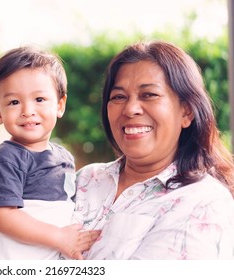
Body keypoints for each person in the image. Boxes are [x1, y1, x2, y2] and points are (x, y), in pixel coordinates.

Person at [71, 40, 234, 259]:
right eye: (118, 97)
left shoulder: (203, 203)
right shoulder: (85, 179)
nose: (130, 109)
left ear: (186, 112)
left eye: (149, 95)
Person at [0, 46, 98, 260]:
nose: (28, 111)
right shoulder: (6, 160)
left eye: (39, 99)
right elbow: (2, 217)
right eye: (14, 102)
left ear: (60, 105)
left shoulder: (64, 158)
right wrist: (59, 237)